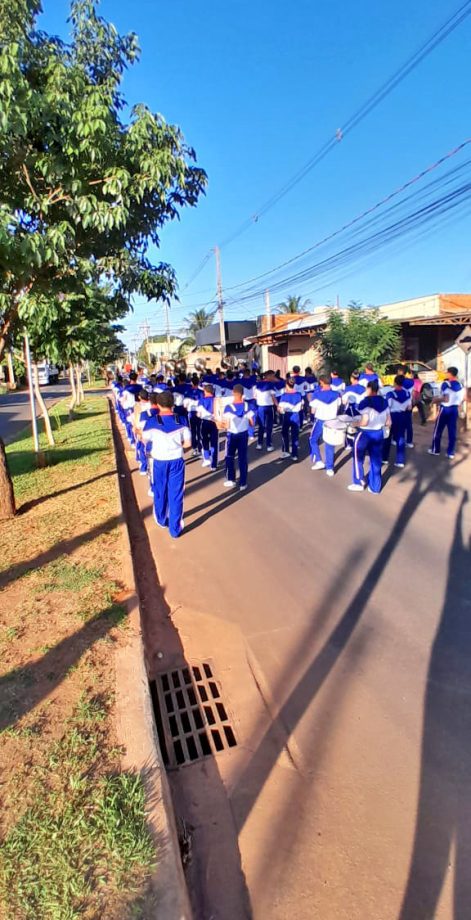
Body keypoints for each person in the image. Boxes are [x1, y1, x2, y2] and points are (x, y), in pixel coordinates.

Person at [142, 390, 190, 538]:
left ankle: (162, 519)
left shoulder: (151, 421)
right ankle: (175, 530)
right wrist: (177, 449)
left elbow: (145, 440)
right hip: (177, 461)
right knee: (176, 494)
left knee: (160, 490)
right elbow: (188, 443)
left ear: (157, 404)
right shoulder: (182, 420)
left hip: (159, 462)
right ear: (173, 404)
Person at [348, 380, 390, 493]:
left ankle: (358, 482)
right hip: (378, 434)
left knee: (357, 457)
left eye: (367, 389)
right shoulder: (384, 402)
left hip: (365, 433)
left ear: (370, 389)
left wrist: (354, 424)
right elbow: (388, 422)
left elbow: (364, 422)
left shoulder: (365, 402)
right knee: (376, 460)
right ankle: (375, 487)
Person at [219, 384, 255, 490]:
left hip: (232, 435)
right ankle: (243, 483)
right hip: (243, 435)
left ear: (233, 393)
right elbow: (252, 423)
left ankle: (231, 479)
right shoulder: (248, 406)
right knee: (242, 458)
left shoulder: (228, 408)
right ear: (243, 394)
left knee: (229, 457)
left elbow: (226, 424)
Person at [428, 367, 464, 459]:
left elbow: (445, 398)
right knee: (452, 431)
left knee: (438, 430)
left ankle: (435, 450)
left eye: (447, 372)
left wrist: (434, 400)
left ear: (450, 374)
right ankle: (450, 452)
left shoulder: (446, 384)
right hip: (454, 409)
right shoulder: (460, 385)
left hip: (445, 409)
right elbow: (461, 399)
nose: (445, 374)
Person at [309, 375, 341, 476]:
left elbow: (313, 411)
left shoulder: (317, 395)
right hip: (332, 421)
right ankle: (330, 468)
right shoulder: (337, 394)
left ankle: (318, 460)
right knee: (329, 443)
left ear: (321, 382)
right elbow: (339, 405)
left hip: (320, 420)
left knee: (313, 439)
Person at [382, 375, 411, 468]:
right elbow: (409, 407)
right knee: (401, 438)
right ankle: (400, 461)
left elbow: (387, 408)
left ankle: (384, 458)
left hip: (392, 416)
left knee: (387, 438)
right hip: (403, 416)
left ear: (395, 382)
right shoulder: (407, 393)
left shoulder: (390, 394)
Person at [278, 378, 303, 460]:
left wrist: (280, 410)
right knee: (295, 435)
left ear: (286, 385)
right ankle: (294, 455)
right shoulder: (299, 395)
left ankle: (286, 451)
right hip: (296, 416)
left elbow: (280, 409)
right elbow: (302, 406)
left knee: (284, 433)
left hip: (287, 416)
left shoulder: (284, 396)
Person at [198, 383, 219, 470]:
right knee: (214, 443)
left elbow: (198, 414)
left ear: (205, 391)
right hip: (215, 423)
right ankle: (214, 464)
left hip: (205, 422)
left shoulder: (202, 400)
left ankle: (206, 458)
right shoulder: (217, 400)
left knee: (204, 440)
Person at [254, 371, 278, 451]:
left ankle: (259, 444)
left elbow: (255, 396)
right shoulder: (271, 385)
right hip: (269, 407)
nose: (273, 378)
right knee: (269, 426)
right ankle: (269, 444)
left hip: (260, 407)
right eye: (273, 376)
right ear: (268, 376)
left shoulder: (257, 385)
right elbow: (274, 397)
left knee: (261, 425)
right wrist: (277, 405)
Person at [184, 375, 203, 456]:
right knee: (200, 431)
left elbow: (185, 405)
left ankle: (194, 448)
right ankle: (200, 449)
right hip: (200, 413)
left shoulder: (187, 392)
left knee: (193, 431)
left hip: (191, 413)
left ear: (192, 383)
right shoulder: (201, 392)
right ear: (198, 382)